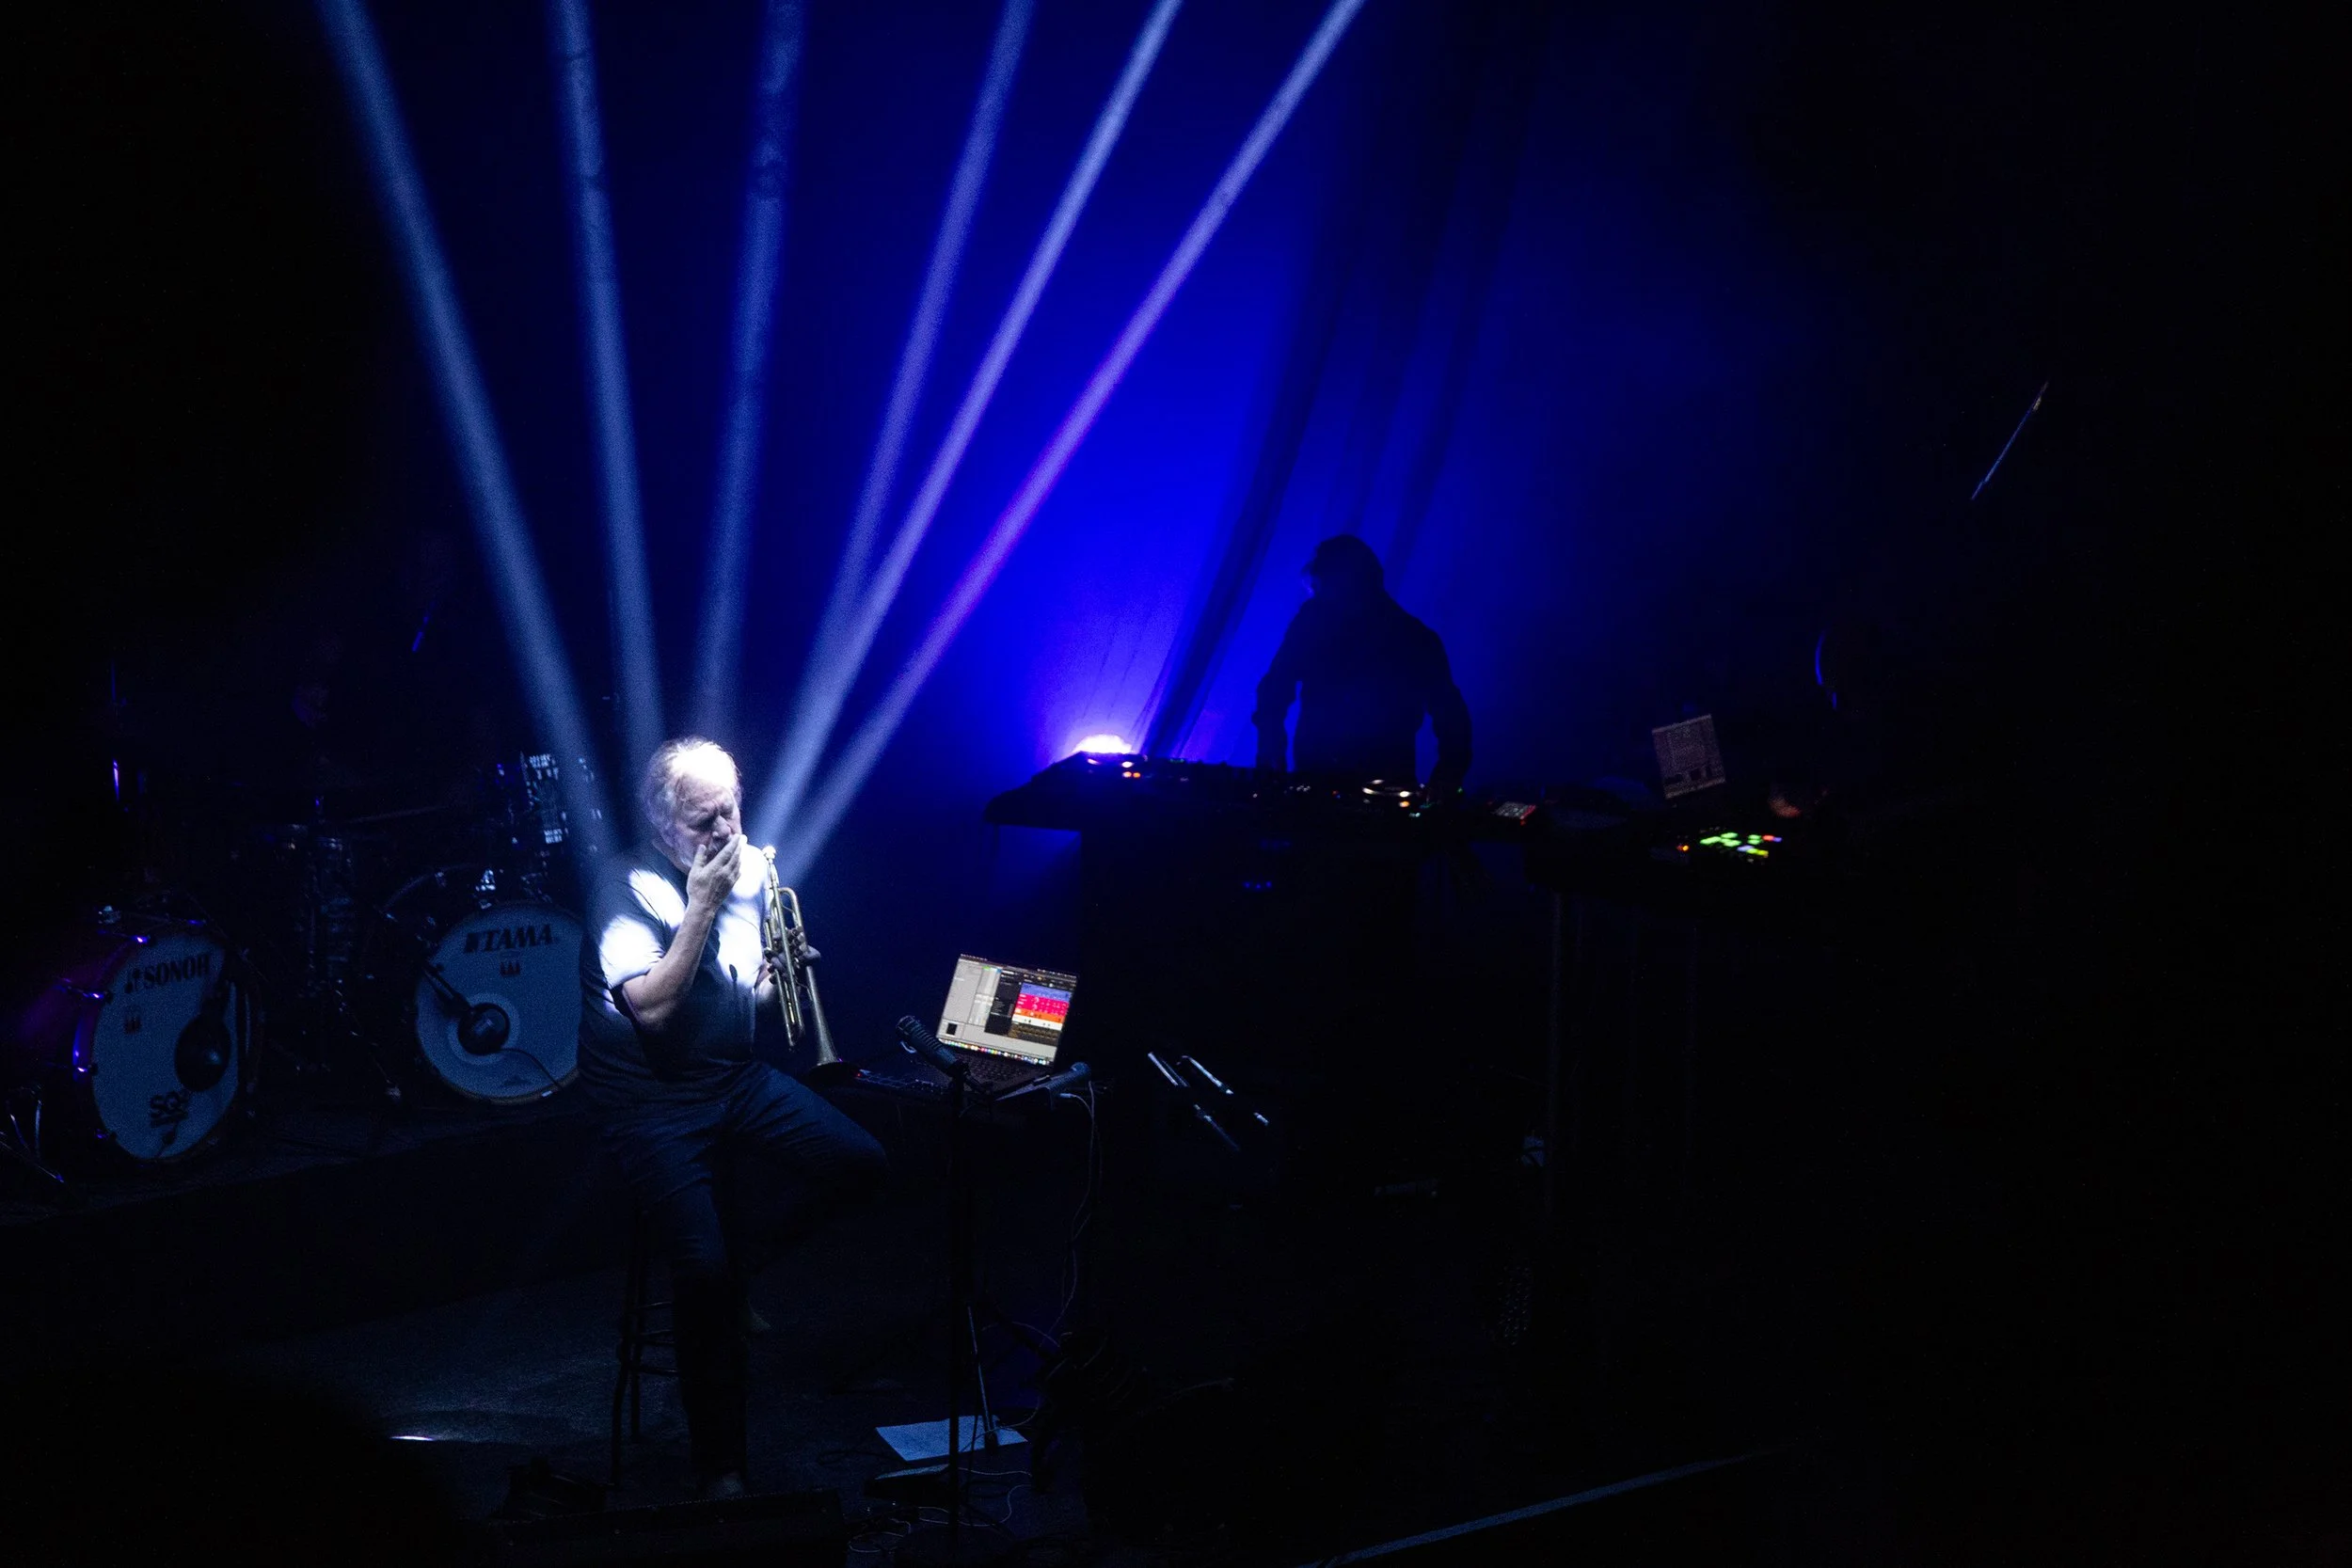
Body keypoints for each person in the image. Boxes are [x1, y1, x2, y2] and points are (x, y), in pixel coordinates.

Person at [578, 737, 887, 1497]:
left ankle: (743, 1263)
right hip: (649, 1101)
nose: (722, 832)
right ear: (659, 820)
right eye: (700, 819)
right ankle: (721, 1467)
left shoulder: (750, 868)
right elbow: (651, 1009)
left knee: (862, 1163)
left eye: (730, 810)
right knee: (702, 1272)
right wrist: (705, 905)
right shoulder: (626, 885)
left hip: (730, 1079)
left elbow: (735, 994)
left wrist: (770, 976)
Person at [1253, 535, 1471, 793]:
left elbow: (1450, 716)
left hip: (1351, 788)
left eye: (1322, 589)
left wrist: (1446, 781)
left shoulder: (1316, 622)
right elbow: (1276, 686)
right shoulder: (1417, 638)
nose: (1317, 598)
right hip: (1355, 785)